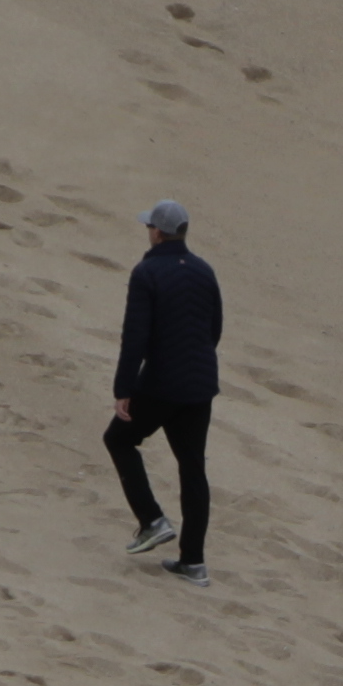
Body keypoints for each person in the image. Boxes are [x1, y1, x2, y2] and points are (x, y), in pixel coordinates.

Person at [106, 195, 220, 584]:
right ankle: (194, 562)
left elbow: (134, 336)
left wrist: (124, 388)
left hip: (161, 384)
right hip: (200, 386)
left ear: (157, 232)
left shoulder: (146, 273)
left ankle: (151, 520)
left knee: (119, 439)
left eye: (149, 227)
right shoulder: (205, 271)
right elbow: (214, 329)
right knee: (193, 469)